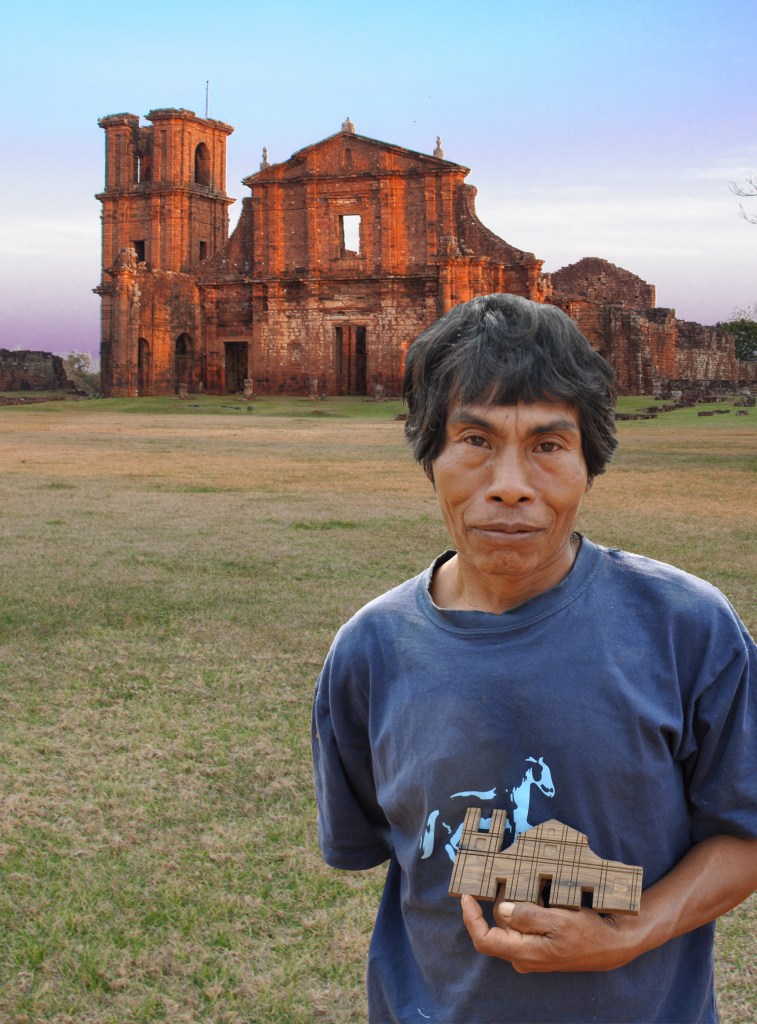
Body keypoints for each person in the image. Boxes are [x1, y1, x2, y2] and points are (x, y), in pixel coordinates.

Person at [311, 293, 757, 1024]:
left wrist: (632, 932)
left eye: (548, 446)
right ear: (430, 456)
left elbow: (745, 834)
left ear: (588, 463)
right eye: (475, 440)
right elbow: (389, 847)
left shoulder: (687, 628)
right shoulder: (369, 652)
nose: (510, 484)